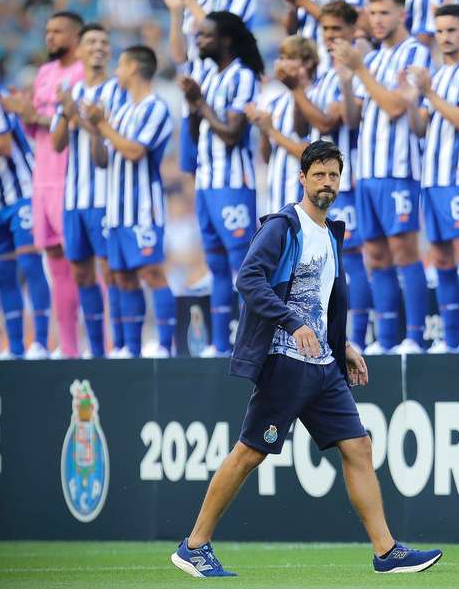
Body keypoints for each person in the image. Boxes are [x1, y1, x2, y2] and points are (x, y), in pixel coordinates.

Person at [172, 140, 443, 578]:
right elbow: (248, 279)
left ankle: (386, 550)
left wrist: (344, 346)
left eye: (333, 175)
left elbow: (325, 301)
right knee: (249, 454)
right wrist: (292, 323)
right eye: (318, 175)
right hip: (285, 362)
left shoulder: (332, 234)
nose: (327, 183)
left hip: (323, 366)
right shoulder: (283, 226)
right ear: (302, 178)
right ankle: (194, 545)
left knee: (358, 445)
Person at [332, 0, 431, 355]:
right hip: (367, 170)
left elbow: (394, 107)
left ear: (402, 14)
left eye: (384, 12)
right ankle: (387, 339)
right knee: (375, 254)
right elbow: (354, 117)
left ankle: (415, 337)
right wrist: (346, 80)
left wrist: (359, 69)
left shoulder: (415, 53)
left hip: (399, 168)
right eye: (372, 13)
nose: (377, 20)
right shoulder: (371, 59)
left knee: (404, 250)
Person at [284, 0, 372, 352]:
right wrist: (300, 89)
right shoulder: (322, 76)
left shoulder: (352, 72)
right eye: (326, 30)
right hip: (321, 182)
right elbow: (302, 124)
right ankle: (330, 333)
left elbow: (329, 122)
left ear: (353, 31)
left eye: (338, 30)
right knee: (322, 259)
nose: (331, 36)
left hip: (345, 181)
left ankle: (361, 336)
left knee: (352, 258)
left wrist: (297, 91)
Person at [405, 4, 459, 353]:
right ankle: (453, 339)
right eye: (439, 31)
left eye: (451, 30)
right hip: (432, 180)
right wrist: (413, 100)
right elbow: (420, 127)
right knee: (441, 259)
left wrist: (427, 94)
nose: (444, 37)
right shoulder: (437, 75)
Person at [1, 11, 85, 358]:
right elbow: (36, 131)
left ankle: (99, 344)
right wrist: (22, 113)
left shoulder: (82, 73)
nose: (49, 36)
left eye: (57, 31)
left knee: (82, 263)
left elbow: (78, 123)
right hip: (43, 179)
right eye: (47, 30)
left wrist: (36, 115)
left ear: (75, 35)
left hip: (71, 179)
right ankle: (66, 347)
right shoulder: (45, 73)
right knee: (54, 261)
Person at [179, 11, 262, 357]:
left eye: (205, 36)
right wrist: (195, 107)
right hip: (206, 183)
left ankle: (251, 343)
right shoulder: (210, 77)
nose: (198, 41)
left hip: (233, 183)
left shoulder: (242, 76)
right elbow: (199, 136)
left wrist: (201, 104)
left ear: (225, 39)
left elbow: (231, 134)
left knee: (242, 265)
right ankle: (218, 343)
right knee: (214, 265)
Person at [85, 46, 176, 358]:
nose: (116, 72)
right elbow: (101, 160)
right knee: (122, 276)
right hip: (116, 210)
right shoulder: (121, 111)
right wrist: (97, 129)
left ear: (135, 67)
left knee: (151, 271)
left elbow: (136, 151)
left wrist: (104, 125)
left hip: (142, 208)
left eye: (120, 65)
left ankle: (165, 345)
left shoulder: (156, 108)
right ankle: (132, 349)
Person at [51, 23, 128, 357]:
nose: (99, 46)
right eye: (92, 41)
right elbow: (56, 143)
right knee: (81, 273)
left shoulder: (116, 91)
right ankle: (96, 350)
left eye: (104, 41)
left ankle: (122, 345)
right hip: (73, 199)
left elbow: (103, 156)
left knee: (111, 273)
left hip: (104, 198)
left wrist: (79, 116)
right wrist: (66, 112)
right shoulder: (71, 89)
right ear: (79, 50)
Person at [0, 83, 52, 360]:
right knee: (2, 274)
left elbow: (3, 145)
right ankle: (14, 347)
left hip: (21, 191)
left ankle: (42, 343)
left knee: (29, 264)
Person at [164, 0, 257, 179]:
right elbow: (179, 56)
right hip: (193, 97)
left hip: (225, 95)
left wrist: (188, 0)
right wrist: (176, 11)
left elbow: (225, 34)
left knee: (226, 166)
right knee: (196, 172)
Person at [246, 36, 317, 213]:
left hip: (303, 200)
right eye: (281, 58)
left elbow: (310, 156)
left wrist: (272, 131)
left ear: (307, 62)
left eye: (290, 58)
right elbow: (267, 157)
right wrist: (263, 129)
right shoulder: (275, 102)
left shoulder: (316, 96)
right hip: (277, 198)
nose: (282, 63)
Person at [279, 0, 368, 75]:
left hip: (338, 67)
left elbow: (355, 23)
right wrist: (291, 5)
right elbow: (291, 30)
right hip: (306, 69)